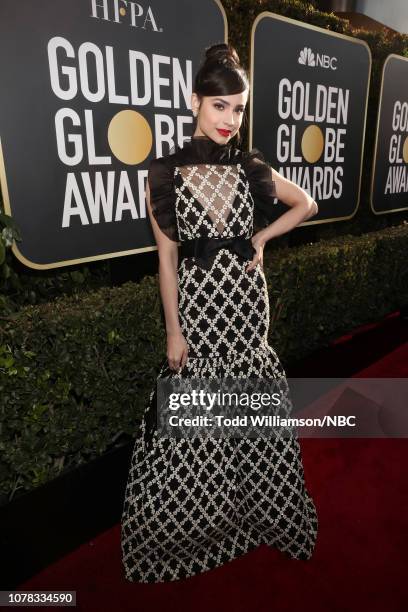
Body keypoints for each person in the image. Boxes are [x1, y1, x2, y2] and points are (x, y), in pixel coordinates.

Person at [121, 42, 319, 584]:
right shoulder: (162, 174)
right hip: (200, 310)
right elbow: (166, 261)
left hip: (247, 307)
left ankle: (261, 510)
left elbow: (306, 203)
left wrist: (261, 236)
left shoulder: (252, 166)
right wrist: (173, 332)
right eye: (220, 106)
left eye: (239, 108)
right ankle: (200, 525)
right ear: (194, 103)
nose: (231, 119)